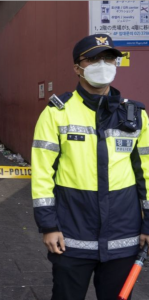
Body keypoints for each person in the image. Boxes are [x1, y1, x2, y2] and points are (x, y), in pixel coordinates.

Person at [31, 34, 149, 300]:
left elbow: (147, 174)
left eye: (109, 58)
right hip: (71, 236)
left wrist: (148, 225)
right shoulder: (56, 113)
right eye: (94, 58)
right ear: (77, 67)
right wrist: (48, 226)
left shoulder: (136, 115)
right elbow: (41, 174)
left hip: (123, 235)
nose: (103, 64)